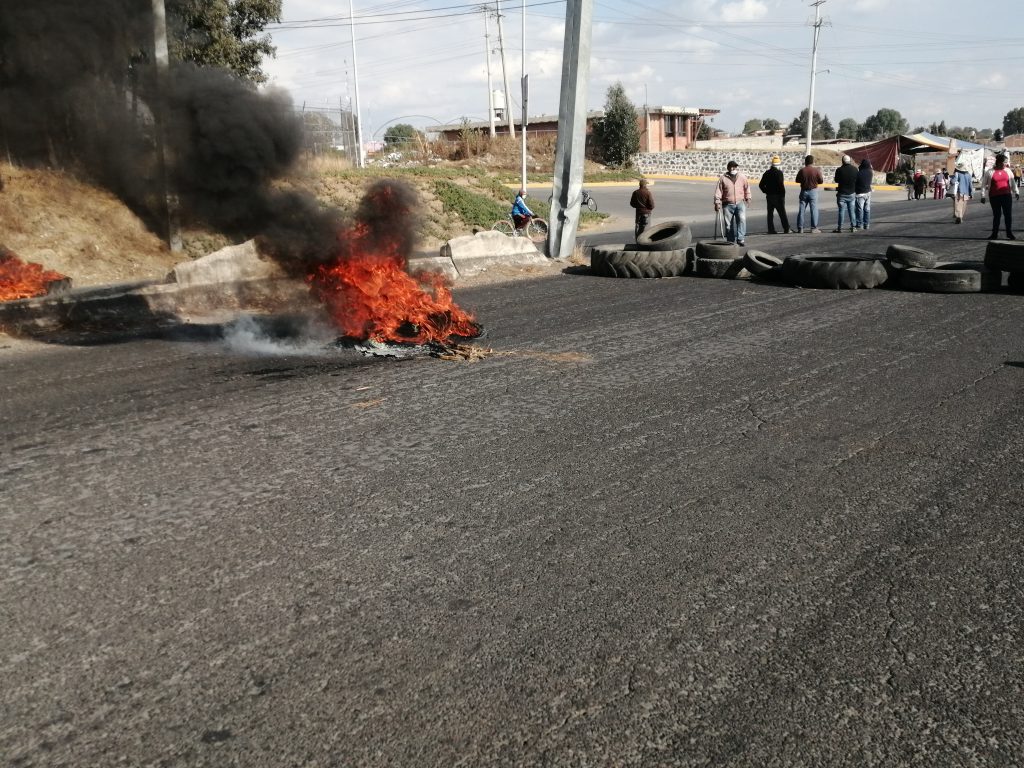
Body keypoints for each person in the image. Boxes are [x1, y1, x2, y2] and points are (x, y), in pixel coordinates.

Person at [980, 152, 1019, 239]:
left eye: (1006, 162)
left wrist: (1016, 191)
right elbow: (983, 184)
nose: (1006, 164)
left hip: (1006, 196)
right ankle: (994, 234)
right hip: (994, 197)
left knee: (1008, 215)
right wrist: (983, 196)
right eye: (1004, 162)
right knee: (997, 215)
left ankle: (1009, 233)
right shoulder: (989, 172)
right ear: (998, 162)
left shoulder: (1008, 171)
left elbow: (1012, 182)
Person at [714, 160, 752, 246]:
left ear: (736, 167)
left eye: (734, 166)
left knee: (742, 221)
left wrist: (748, 197)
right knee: (728, 224)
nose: (732, 168)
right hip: (727, 204)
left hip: (740, 203)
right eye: (730, 166)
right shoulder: (723, 178)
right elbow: (718, 191)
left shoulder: (742, 177)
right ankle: (731, 241)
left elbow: (747, 188)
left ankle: (740, 239)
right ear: (728, 168)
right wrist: (717, 202)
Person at [758, 155, 791, 234]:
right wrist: (783, 196)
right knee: (782, 213)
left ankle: (771, 229)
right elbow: (781, 185)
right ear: (779, 165)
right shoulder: (779, 173)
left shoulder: (767, 173)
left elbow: (761, 185)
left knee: (770, 214)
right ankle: (786, 228)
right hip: (778, 196)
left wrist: (766, 191)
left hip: (769, 196)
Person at [795, 154, 823, 233]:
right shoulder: (816, 170)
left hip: (803, 191)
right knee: (814, 210)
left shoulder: (802, 170)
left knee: (801, 210)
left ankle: (800, 228)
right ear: (813, 162)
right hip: (813, 191)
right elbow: (821, 181)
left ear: (805, 162)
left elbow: (797, 180)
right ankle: (814, 228)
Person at [833, 155, 858, 232]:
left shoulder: (839, 170)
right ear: (849, 160)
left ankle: (840, 227)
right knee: (851, 211)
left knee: (841, 211)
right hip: (851, 194)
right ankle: (853, 227)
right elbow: (857, 180)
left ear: (842, 161)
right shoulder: (855, 169)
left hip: (841, 194)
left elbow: (836, 180)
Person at [950, 160, 973, 224]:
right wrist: (971, 193)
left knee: (958, 204)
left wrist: (952, 177)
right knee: (963, 205)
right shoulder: (968, 175)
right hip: (966, 193)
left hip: (959, 192)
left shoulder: (957, 174)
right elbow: (970, 185)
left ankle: (959, 217)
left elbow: (952, 182)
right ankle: (961, 217)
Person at [854, 157, 873, 231]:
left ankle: (859, 224)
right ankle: (866, 224)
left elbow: (856, 182)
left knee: (859, 209)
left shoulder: (859, 173)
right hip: (868, 192)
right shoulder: (870, 172)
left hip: (860, 193)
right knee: (867, 209)